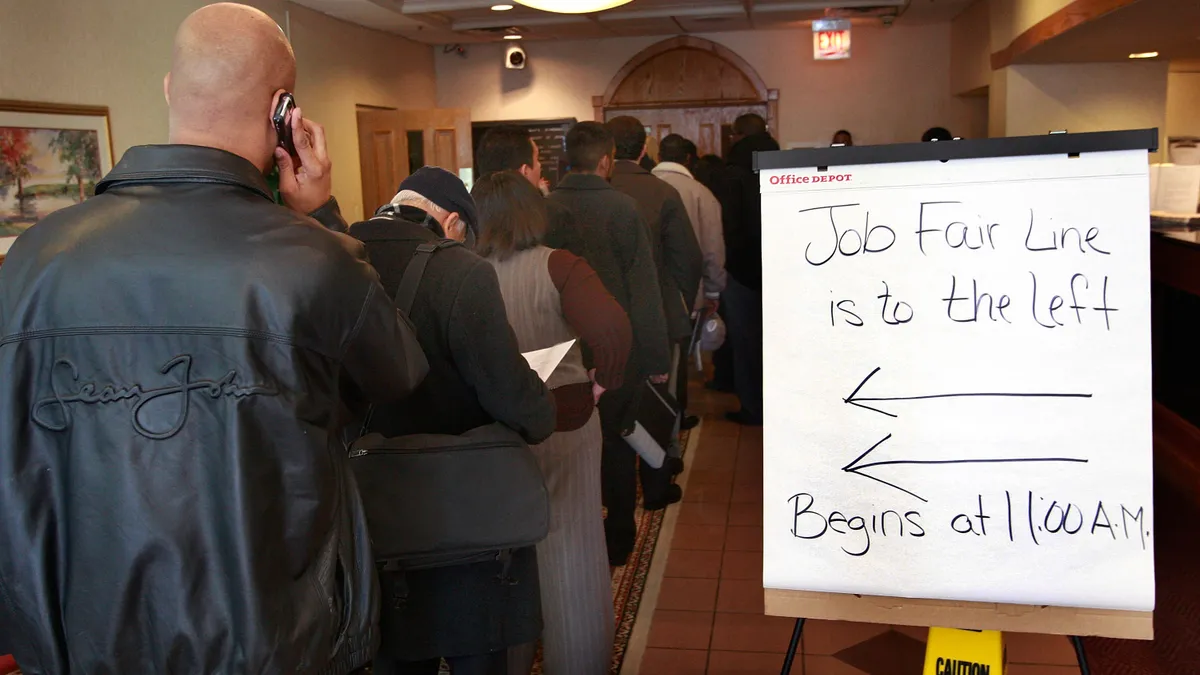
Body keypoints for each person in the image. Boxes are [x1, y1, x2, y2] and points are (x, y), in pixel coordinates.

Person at [0, 4, 430, 673]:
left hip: (85, 642)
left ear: (170, 88)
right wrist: (321, 215)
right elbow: (399, 370)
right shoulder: (314, 260)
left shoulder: (33, 260)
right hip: (280, 641)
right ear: (283, 110)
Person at [347, 167, 557, 675]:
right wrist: (541, 407)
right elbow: (513, 397)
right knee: (476, 654)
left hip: (365, 511)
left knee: (390, 656)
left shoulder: (328, 257)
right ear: (455, 224)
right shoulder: (462, 271)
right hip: (462, 517)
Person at [473, 171, 632, 675]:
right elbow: (612, 330)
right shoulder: (559, 266)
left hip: (494, 432)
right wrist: (603, 380)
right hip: (564, 422)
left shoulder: (463, 273)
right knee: (573, 548)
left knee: (505, 557)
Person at [548, 122, 675, 566]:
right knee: (618, 444)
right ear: (606, 161)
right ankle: (618, 535)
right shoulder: (623, 208)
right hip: (618, 349)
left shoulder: (546, 208)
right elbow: (644, 288)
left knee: (565, 449)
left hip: (560, 350)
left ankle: (572, 539)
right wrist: (656, 357)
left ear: (567, 158)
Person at [605, 117, 703, 433]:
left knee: (611, 408)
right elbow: (687, 260)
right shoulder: (663, 192)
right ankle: (659, 475)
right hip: (660, 313)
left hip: (603, 318)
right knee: (658, 406)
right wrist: (678, 302)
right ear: (645, 148)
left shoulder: (597, 192)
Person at [652, 135, 727, 426]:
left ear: (659, 155)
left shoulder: (641, 188)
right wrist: (714, 289)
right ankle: (675, 417)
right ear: (688, 159)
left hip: (645, 288)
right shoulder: (701, 193)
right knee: (677, 358)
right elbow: (712, 247)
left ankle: (651, 417)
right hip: (686, 292)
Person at [722, 113, 779, 427]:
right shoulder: (784, 163)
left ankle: (753, 408)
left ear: (740, 135)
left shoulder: (734, 172)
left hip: (744, 270)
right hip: (782, 270)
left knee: (746, 344)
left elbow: (730, 227)